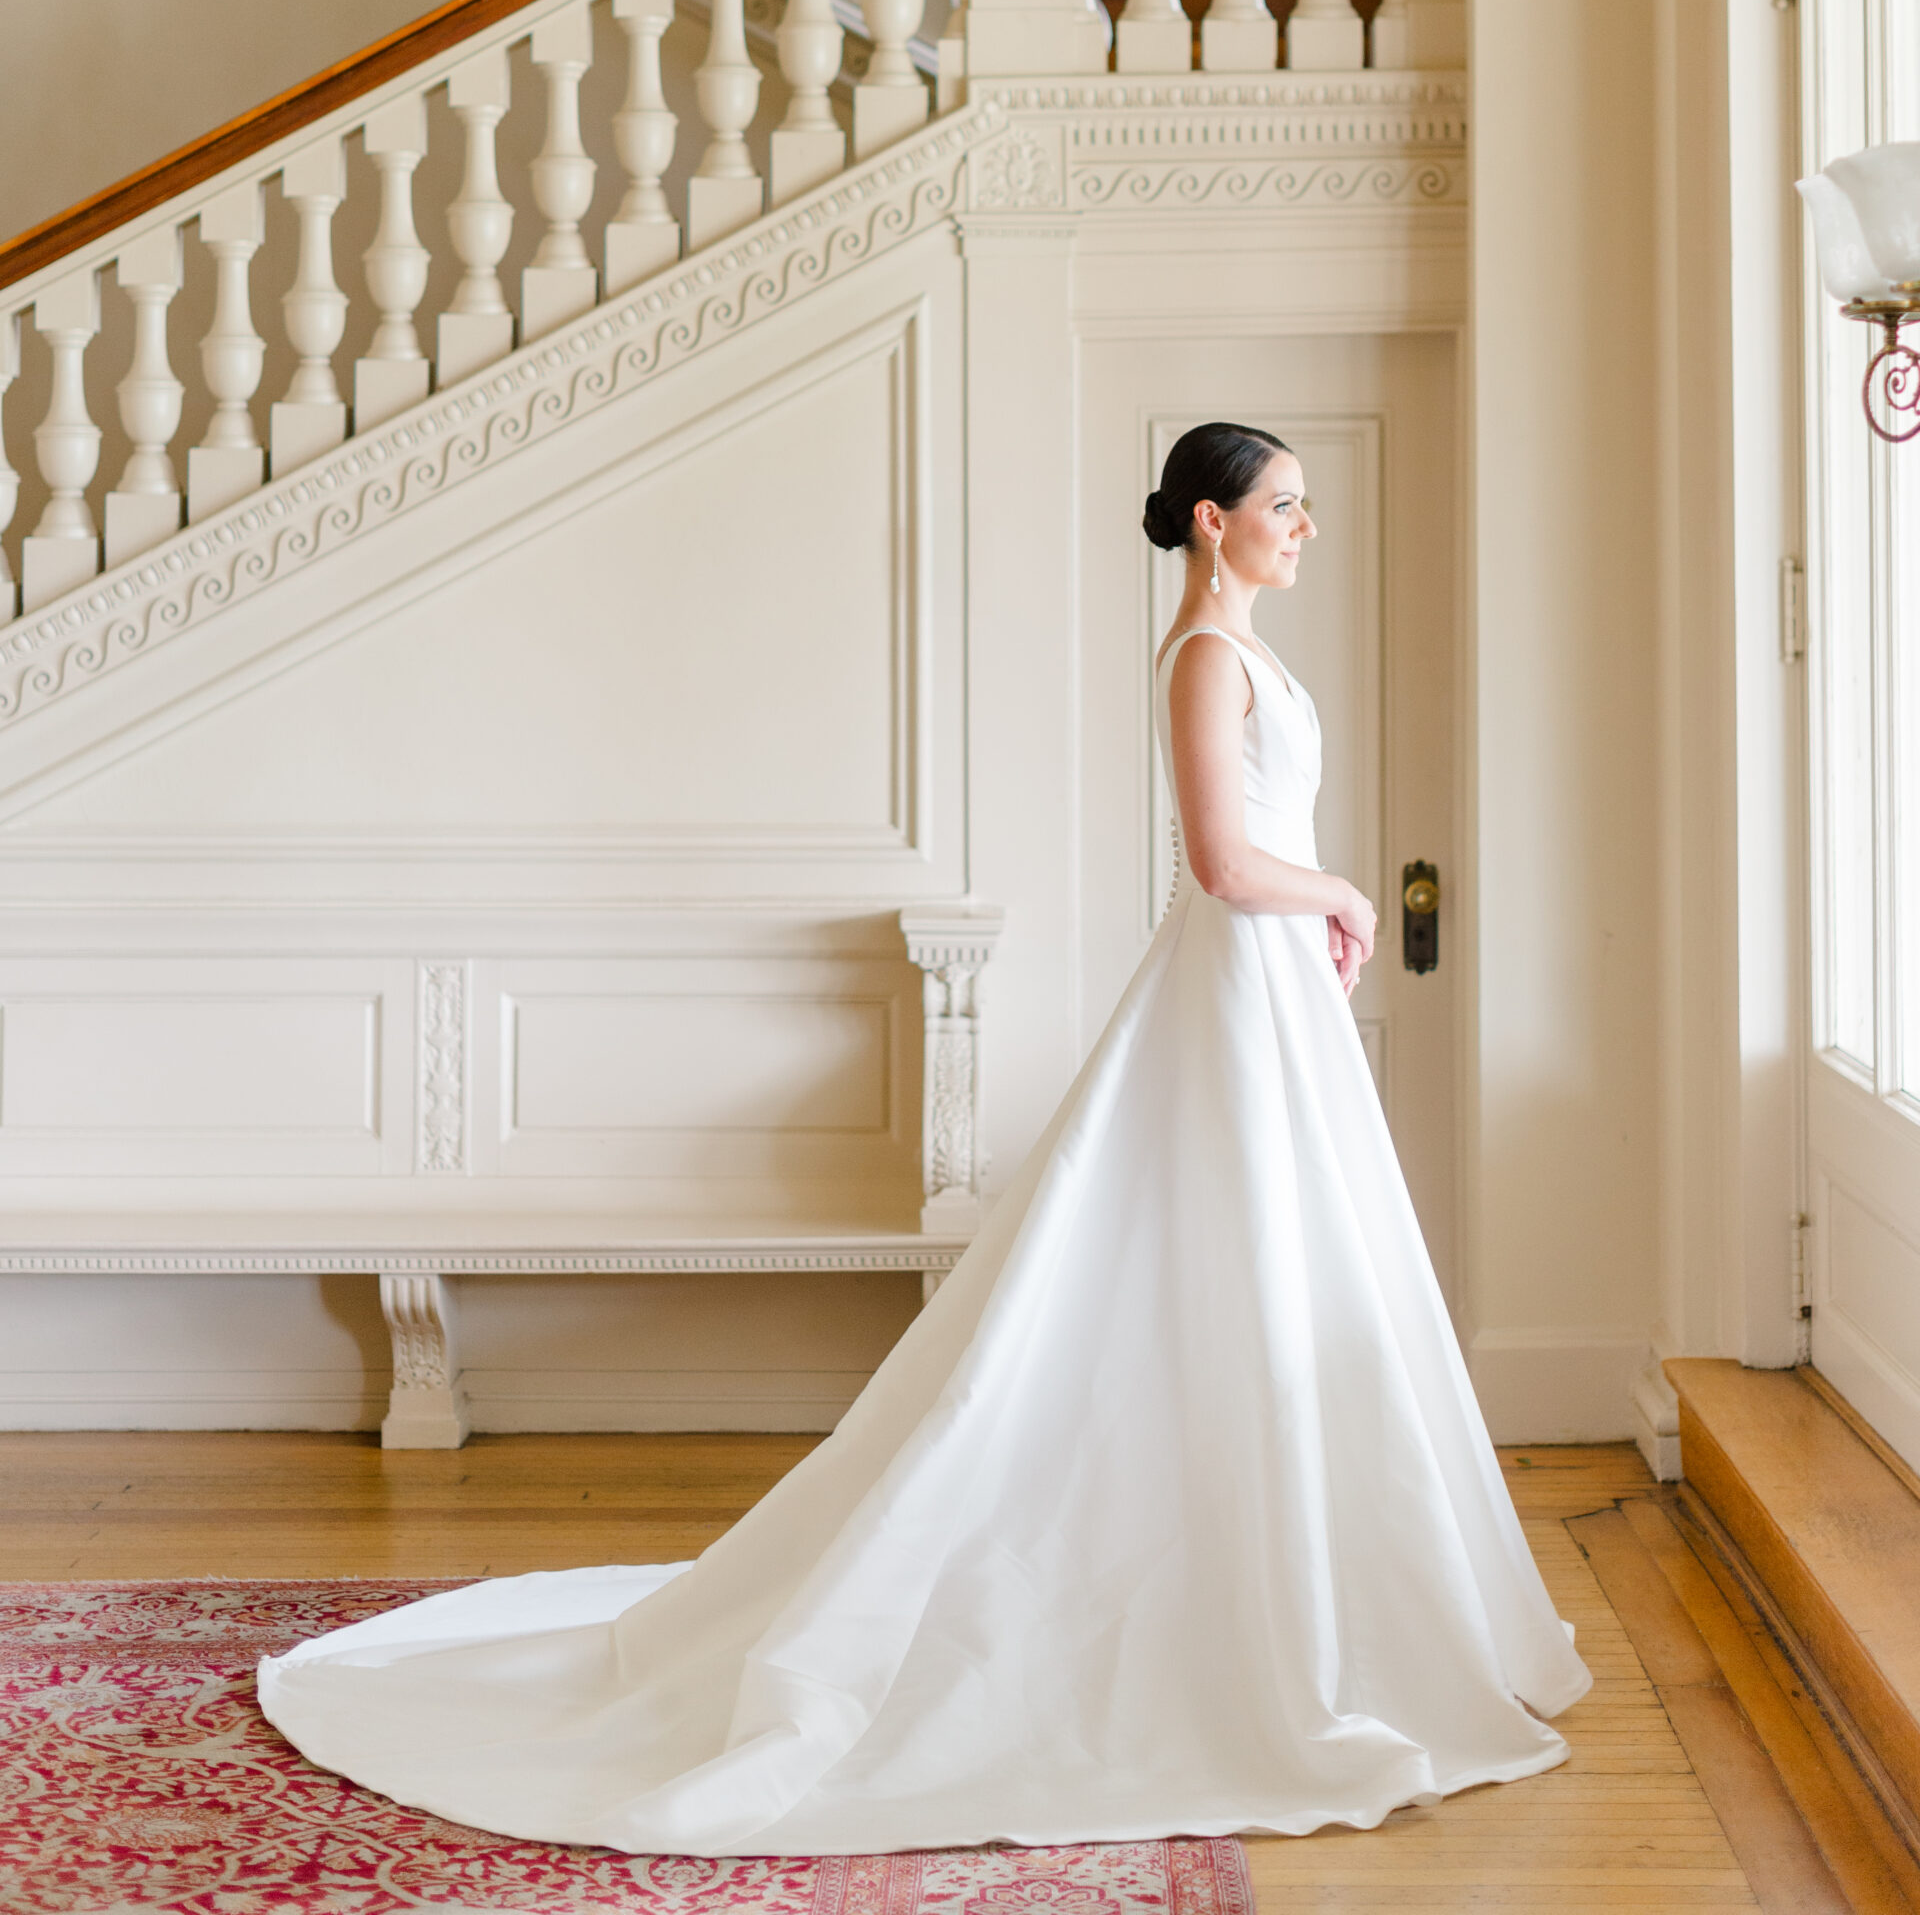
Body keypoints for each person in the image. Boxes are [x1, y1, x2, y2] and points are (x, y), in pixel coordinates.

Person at [258, 420, 1591, 1853]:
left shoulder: (1249, 654)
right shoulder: (1205, 658)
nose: (1305, 526)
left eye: (1306, 506)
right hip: (1238, 981)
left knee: (1295, 1269)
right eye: (1283, 505)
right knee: (1220, 1258)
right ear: (1211, 522)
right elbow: (1217, 859)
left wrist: (1321, 907)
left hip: (1275, 999)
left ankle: (1333, 1598)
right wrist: (1338, 889)